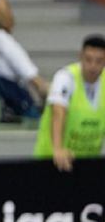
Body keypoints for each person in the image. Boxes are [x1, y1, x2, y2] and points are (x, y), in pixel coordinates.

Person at [34, 35, 105, 171]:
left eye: (99, 61)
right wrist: (58, 149)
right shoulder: (65, 77)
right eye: (88, 60)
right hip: (50, 162)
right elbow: (58, 111)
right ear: (80, 57)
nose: (93, 66)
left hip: (88, 165)